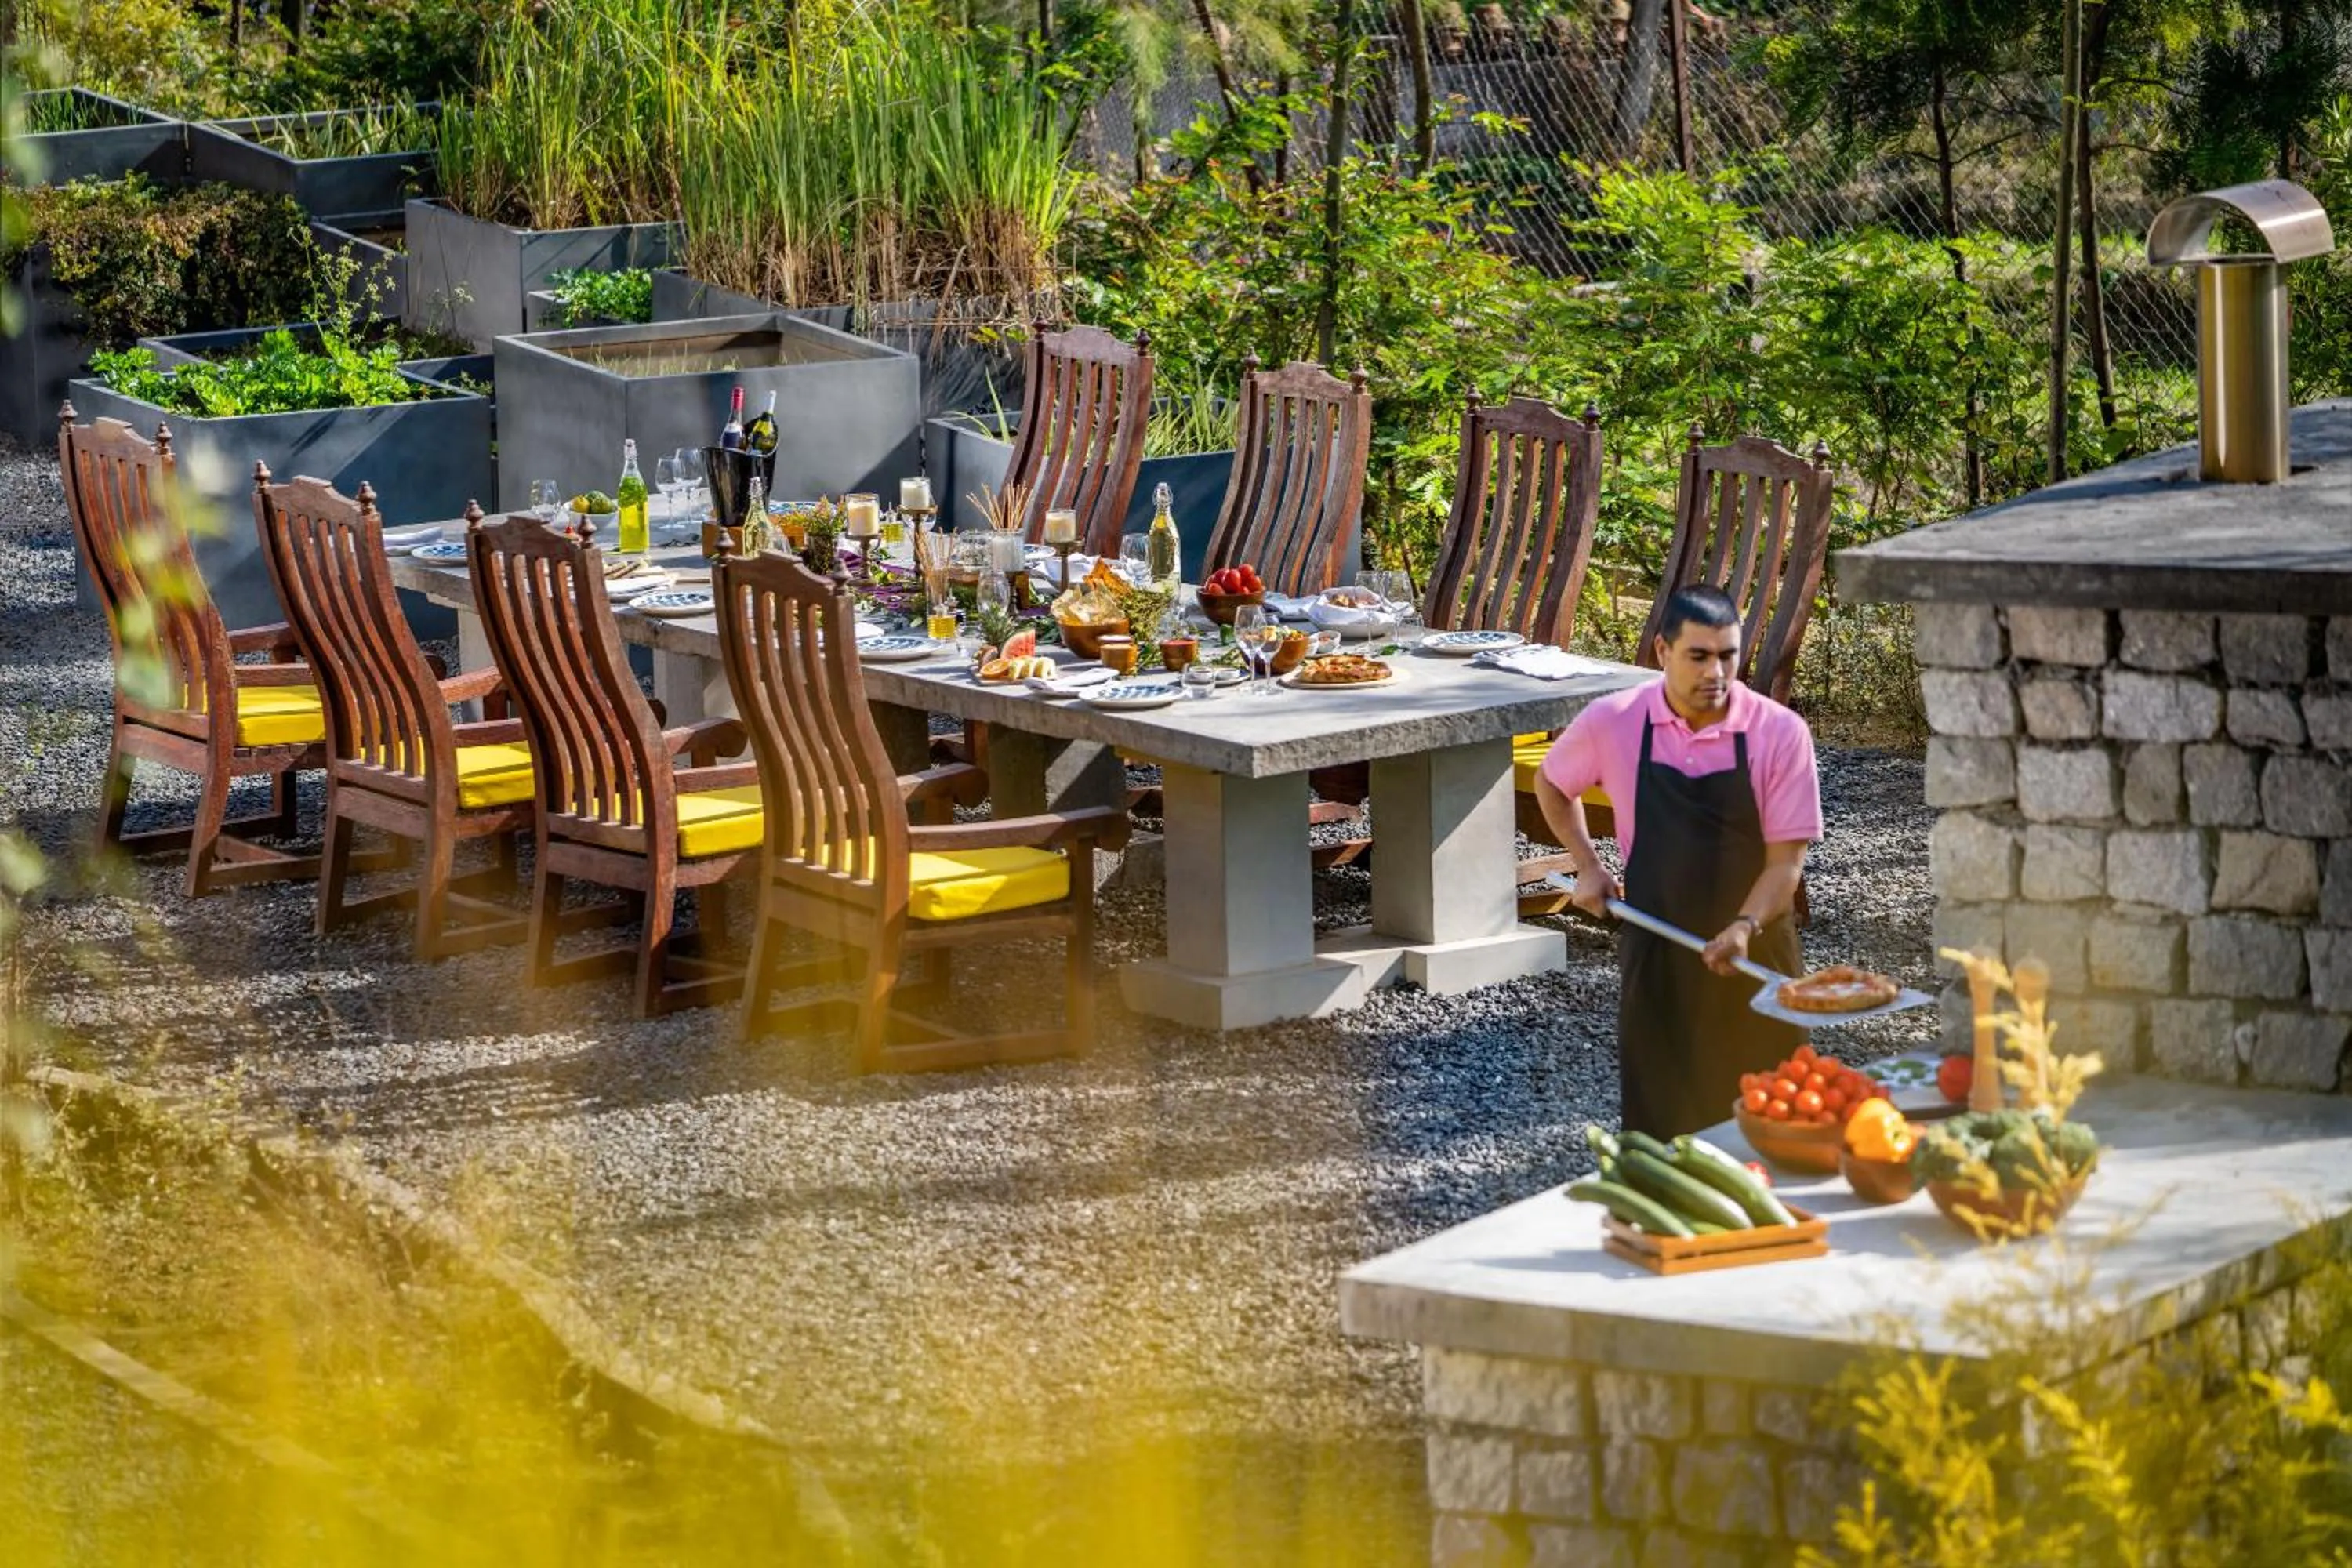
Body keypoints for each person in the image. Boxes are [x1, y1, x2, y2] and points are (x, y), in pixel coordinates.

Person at [1532, 585, 1823, 1138]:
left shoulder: (1781, 734)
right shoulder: (1613, 720)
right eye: (1699, 656)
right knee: (1660, 1129)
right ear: (1662, 652)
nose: (1716, 671)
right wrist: (1588, 864)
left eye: (1728, 656)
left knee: (1775, 1126)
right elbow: (1551, 781)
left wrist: (1742, 926)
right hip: (1658, 951)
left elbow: (1786, 866)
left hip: (1757, 959)